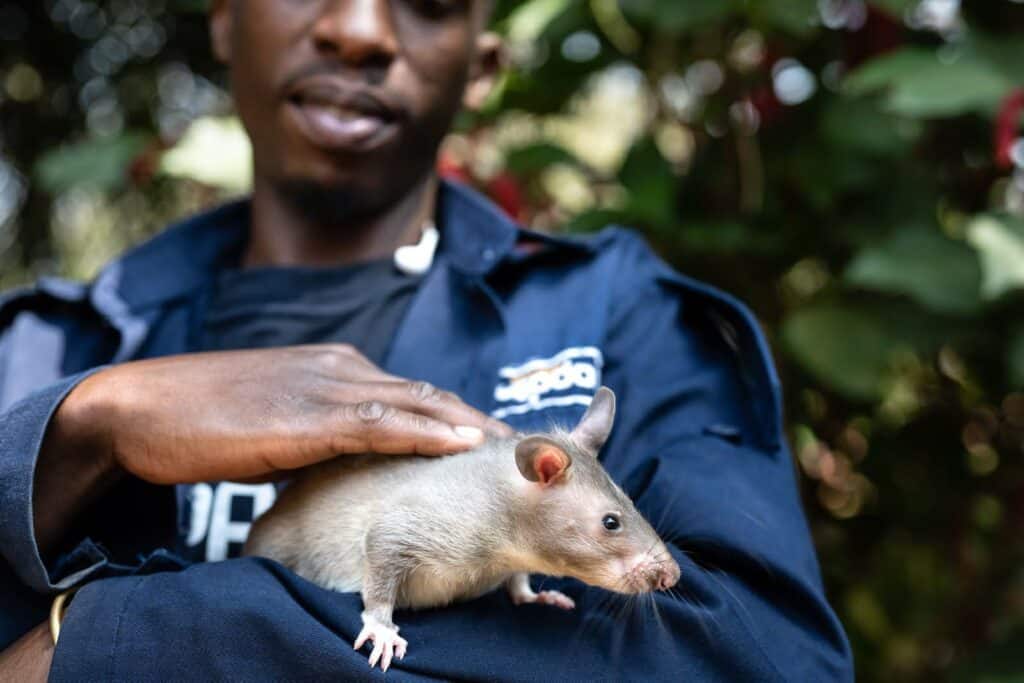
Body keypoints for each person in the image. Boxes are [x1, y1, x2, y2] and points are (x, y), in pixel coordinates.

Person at [0, 1, 854, 680]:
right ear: (222, 16)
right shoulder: (42, 344)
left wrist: (98, 645)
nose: (359, 29)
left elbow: (762, 659)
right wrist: (85, 428)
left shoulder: (622, 311)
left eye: (429, 0)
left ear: (484, 67)